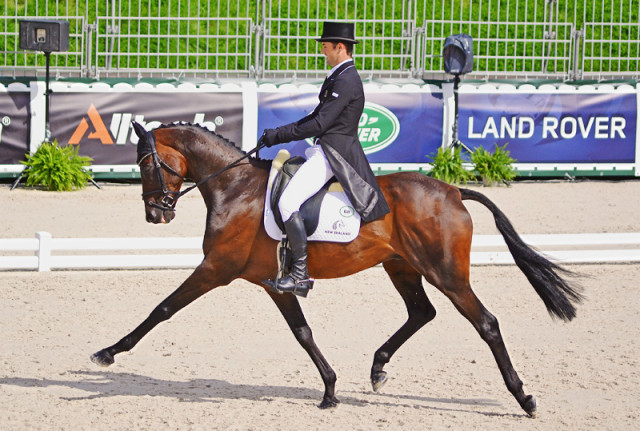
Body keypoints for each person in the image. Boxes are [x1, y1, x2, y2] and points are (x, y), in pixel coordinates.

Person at [261, 21, 390, 297]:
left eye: (325, 47)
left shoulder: (346, 79)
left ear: (339, 47)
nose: (323, 52)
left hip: (334, 155)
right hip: (326, 149)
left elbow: (320, 124)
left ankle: (300, 276)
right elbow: (315, 117)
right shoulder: (338, 75)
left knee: (287, 202)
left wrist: (279, 135)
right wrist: (276, 134)